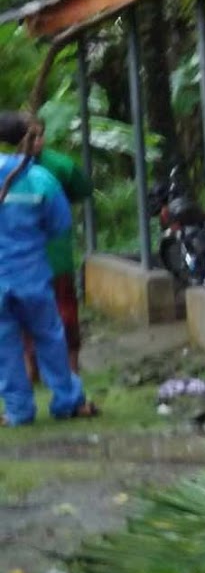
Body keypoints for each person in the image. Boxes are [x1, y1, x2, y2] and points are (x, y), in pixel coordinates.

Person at [0, 111, 93, 426]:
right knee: (50, 338)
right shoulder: (41, 179)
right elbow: (59, 225)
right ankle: (67, 400)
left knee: (4, 345)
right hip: (33, 275)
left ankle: (18, 411)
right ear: (27, 140)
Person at [19, 117, 91, 379]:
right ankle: (32, 368)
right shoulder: (20, 170)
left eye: (39, 136)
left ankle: (71, 366)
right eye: (31, 136)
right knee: (27, 313)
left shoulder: (60, 166)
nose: (36, 142)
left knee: (64, 310)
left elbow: (83, 188)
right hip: (27, 258)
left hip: (52, 256)